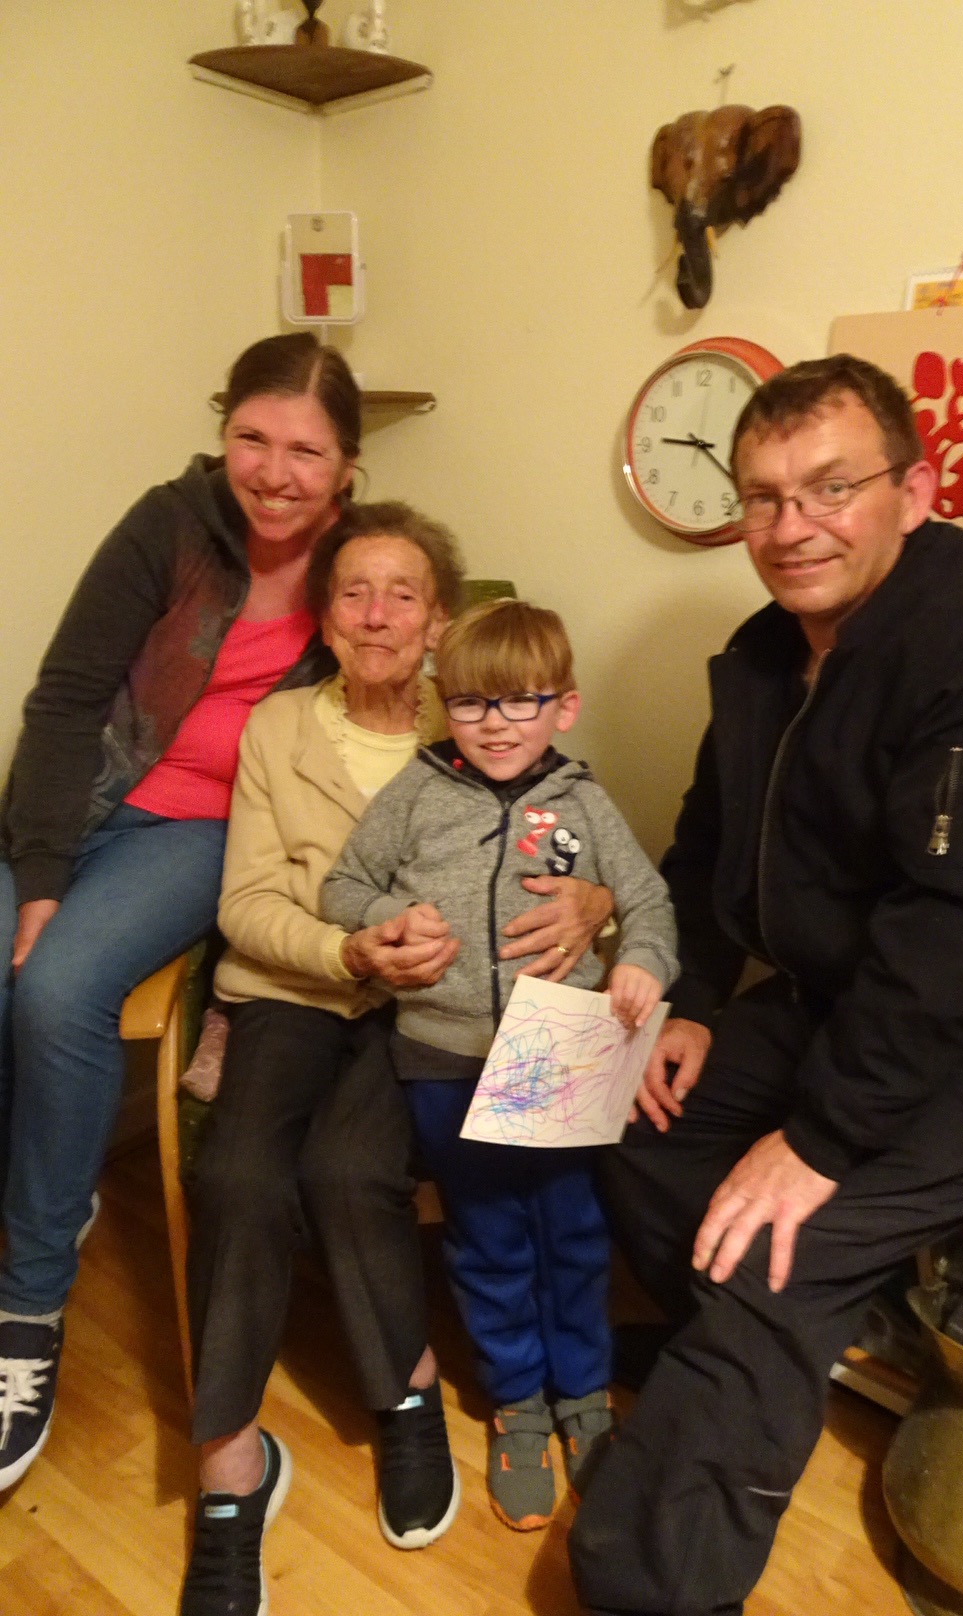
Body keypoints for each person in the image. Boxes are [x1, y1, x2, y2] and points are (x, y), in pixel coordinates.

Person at [568, 353, 963, 1616]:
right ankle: (738, 1353)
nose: (792, 525)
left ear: (916, 489)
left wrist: (819, 1141)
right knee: (629, 1117)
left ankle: (652, 1584)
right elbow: (704, 843)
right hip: (838, 1002)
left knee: (776, 1250)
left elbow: (957, 943)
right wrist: (688, 1001)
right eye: (764, 496)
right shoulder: (763, 655)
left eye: (831, 487)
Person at [181, 534, 616, 1614]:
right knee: (234, 1172)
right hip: (298, 985)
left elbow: (573, 835)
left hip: (427, 1012)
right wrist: (346, 949)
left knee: (348, 1169)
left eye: (403, 595)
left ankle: (407, 1392)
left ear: (437, 623)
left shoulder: (475, 712)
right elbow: (246, 901)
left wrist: (601, 901)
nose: (377, 614)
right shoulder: (279, 727)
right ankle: (231, 1467)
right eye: (354, 594)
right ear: (326, 618)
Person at [0, 331, 359, 1489]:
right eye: (253, 437)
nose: (274, 472)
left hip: (207, 830)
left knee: (57, 990)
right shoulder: (169, 525)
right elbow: (64, 699)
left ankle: (28, 1305)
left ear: (347, 467)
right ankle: (46, 1191)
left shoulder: (357, 562)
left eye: (305, 450)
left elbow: (403, 684)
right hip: (90, 800)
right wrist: (43, 871)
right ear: (222, 434)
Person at [321, 598, 679, 1532]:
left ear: (564, 706)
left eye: (522, 701)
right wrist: (387, 920)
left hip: (561, 1050)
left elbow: (648, 902)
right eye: (472, 702)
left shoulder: (584, 800)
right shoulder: (416, 791)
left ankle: (585, 1394)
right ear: (443, 703)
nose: (495, 724)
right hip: (442, 1057)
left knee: (572, 1231)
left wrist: (642, 961)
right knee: (487, 1239)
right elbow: (343, 885)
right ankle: (517, 1400)